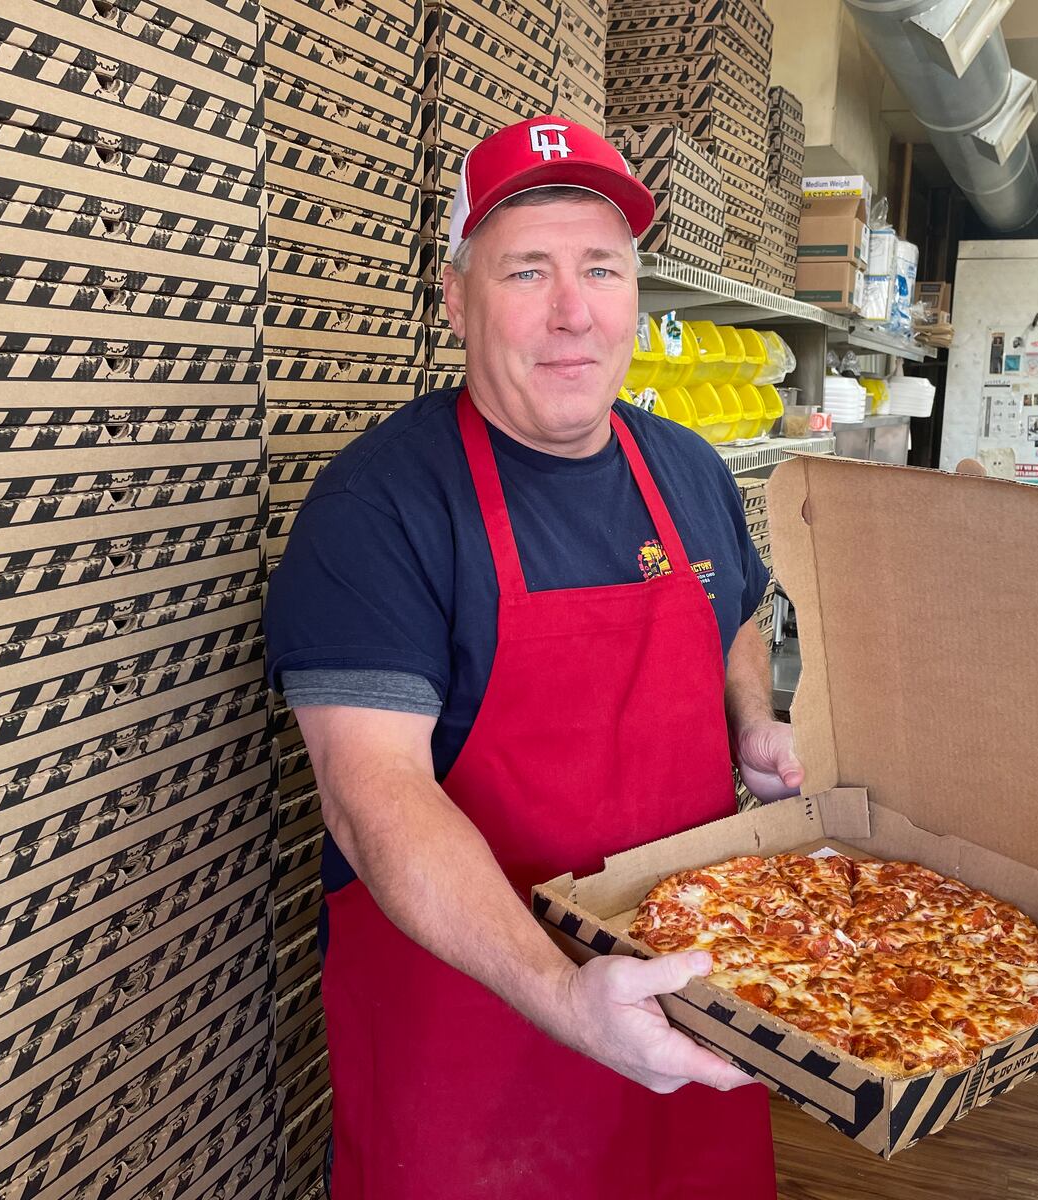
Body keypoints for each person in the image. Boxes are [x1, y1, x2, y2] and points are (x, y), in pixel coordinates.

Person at [265, 114, 803, 1200]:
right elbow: (372, 799)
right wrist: (562, 998)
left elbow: (731, 611)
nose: (573, 312)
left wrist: (750, 719)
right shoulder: (379, 507)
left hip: (693, 1007)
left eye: (600, 268)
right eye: (527, 271)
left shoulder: (687, 469)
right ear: (458, 299)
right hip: (476, 1047)